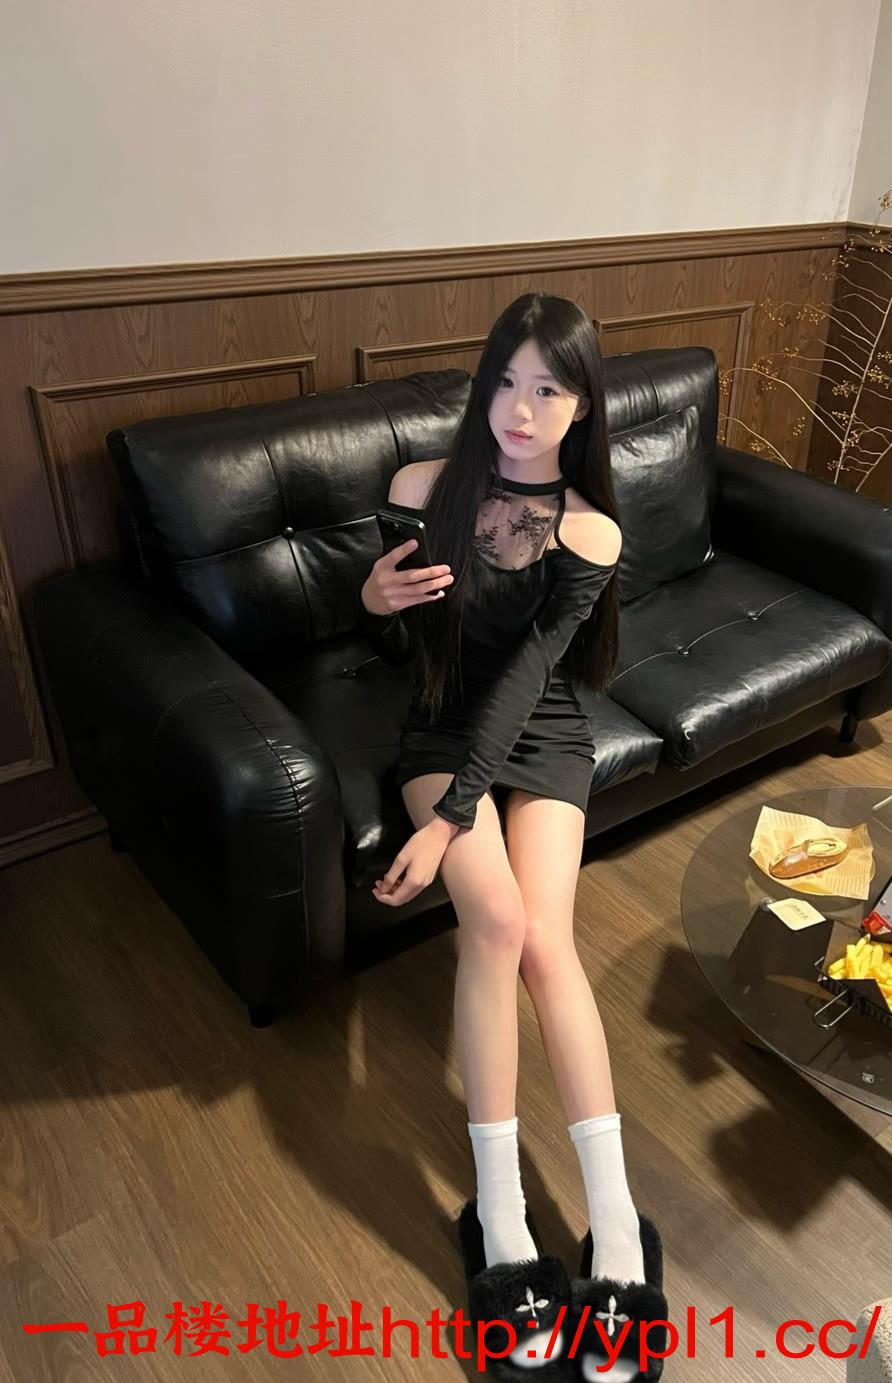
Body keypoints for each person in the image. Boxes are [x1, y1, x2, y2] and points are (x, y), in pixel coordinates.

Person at [359, 293, 667, 1379]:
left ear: (582, 405)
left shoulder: (589, 530)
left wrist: (453, 820)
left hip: (538, 731)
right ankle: (501, 1217)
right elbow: (411, 658)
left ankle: (615, 1222)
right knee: (491, 921)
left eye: (547, 388)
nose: (520, 409)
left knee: (545, 941)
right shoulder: (418, 490)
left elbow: (532, 678)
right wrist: (373, 599)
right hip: (440, 727)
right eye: (505, 380)